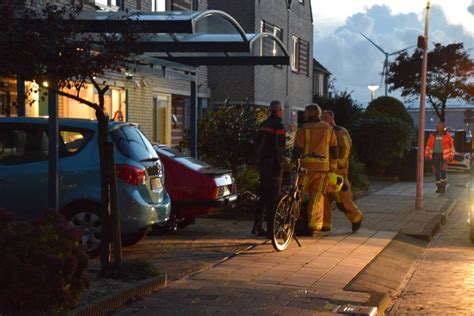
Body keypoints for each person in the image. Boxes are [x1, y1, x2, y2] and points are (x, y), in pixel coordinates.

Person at [293, 104, 338, 237]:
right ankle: (314, 227)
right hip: (323, 170)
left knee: (298, 195)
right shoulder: (328, 128)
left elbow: (297, 149)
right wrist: (332, 170)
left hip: (306, 169)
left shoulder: (304, 129)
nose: (304, 115)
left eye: (305, 112)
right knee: (317, 197)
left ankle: (291, 222)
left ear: (311, 113)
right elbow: (334, 150)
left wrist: (293, 163)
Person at [321, 110, 364, 232]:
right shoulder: (326, 131)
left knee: (341, 198)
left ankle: (356, 217)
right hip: (327, 169)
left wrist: (340, 163)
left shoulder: (340, 131)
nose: (322, 119)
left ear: (331, 117)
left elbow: (346, 149)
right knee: (325, 198)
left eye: (325, 117)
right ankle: (325, 224)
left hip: (338, 170)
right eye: (321, 117)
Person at [252, 100, 286, 237]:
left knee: (262, 196)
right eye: (281, 110)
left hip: (262, 165)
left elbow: (257, 144)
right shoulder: (279, 126)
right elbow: (280, 148)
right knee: (273, 199)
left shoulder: (263, 125)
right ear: (278, 110)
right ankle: (272, 231)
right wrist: (281, 164)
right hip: (273, 166)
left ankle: (257, 226)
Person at [425, 121, 454, 193]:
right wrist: (426, 154)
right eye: (437, 126)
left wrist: (451, 156)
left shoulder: (447, 136)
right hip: (434, 156)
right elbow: (428, 146)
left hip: (443, 157)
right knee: (436, 172)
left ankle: (443, 187)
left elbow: (451, 147)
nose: (438, 128)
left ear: (443, 127)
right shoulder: (432, 136)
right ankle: (439, 187)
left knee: (443, 171)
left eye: (440, 126)